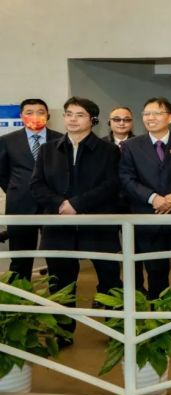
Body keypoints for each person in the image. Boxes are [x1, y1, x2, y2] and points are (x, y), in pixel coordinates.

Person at [31, 97, 122, 339]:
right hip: (59, 226)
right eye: (69, 114)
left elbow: (112, 184)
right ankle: (62, 333)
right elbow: (37, 185)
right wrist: (60, 204)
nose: (72, 119)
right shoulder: (48, 149)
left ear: (93, 120)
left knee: (110, 280)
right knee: (60, 282)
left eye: (79, 115)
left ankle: (117, 331)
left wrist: (77, 204)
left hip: (98, 225)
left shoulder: (108, 150)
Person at [119, 97, 171, 303]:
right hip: (148, 219)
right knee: (155, 272)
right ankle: (159, 316)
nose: (150, 118)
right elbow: (126, 178)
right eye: (146, 114)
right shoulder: (130, 146)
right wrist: (152, 197)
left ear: (170, 117)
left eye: (156, 113)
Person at [0, 99, 62, 281]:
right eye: (29, 112)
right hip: (20, 205)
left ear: (48, 115)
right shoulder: (7, 141)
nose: (35, 116)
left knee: (57, 258)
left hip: (53, 205)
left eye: (40, 112)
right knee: (20, 258)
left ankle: (59, 296)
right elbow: (2, 173)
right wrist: (17, 189)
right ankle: (19, 295)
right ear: (21, 116)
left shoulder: (60, 139)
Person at [102, 106, 145, 292]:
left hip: (134, 205)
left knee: (135, 250)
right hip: (106, 205)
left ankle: (137, 289)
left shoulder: (142, 144)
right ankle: (108, 290)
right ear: (109, 122)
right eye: (117, 119)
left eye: (126, 119)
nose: (121, 123)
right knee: (107, 252)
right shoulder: (99, 145)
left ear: (132, 123)